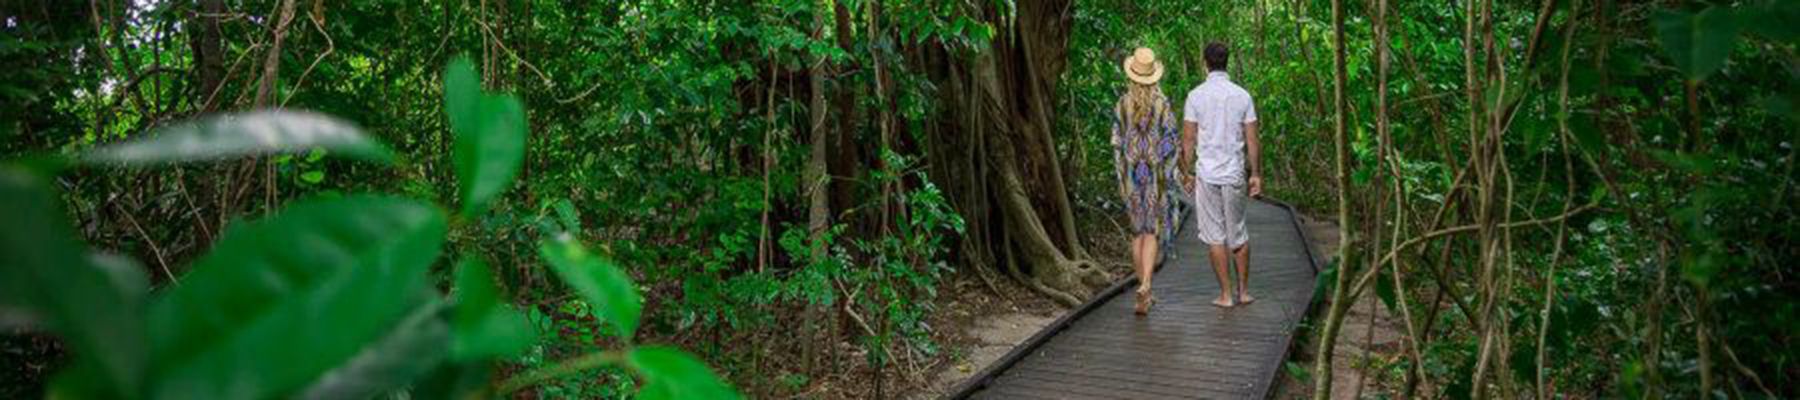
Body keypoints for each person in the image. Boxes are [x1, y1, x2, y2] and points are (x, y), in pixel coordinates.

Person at [1181, 42, 1262, 308]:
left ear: (1205, 63)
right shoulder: (1243, 96)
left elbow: (1188, 140)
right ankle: (1244, 292)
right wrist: (1256, 174)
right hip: (1234, 172)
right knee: (1238, 231)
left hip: (1207, 174)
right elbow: (1252, 139)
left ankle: (1226, 295)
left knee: (1215, 235)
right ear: (1227, 62)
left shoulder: (1195, 96)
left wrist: (1186, 172)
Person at [1112, 47, 1180, 316]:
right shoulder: (1162, 104)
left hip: (1131, 176)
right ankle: (1147, 285)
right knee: (1151, 232)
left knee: (1136, 233)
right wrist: (1169, 171)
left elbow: (1116, 142)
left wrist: (1121, 174)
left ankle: (1143, 289)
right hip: (1153, 176)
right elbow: (1171, 142)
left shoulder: (1122, 104)